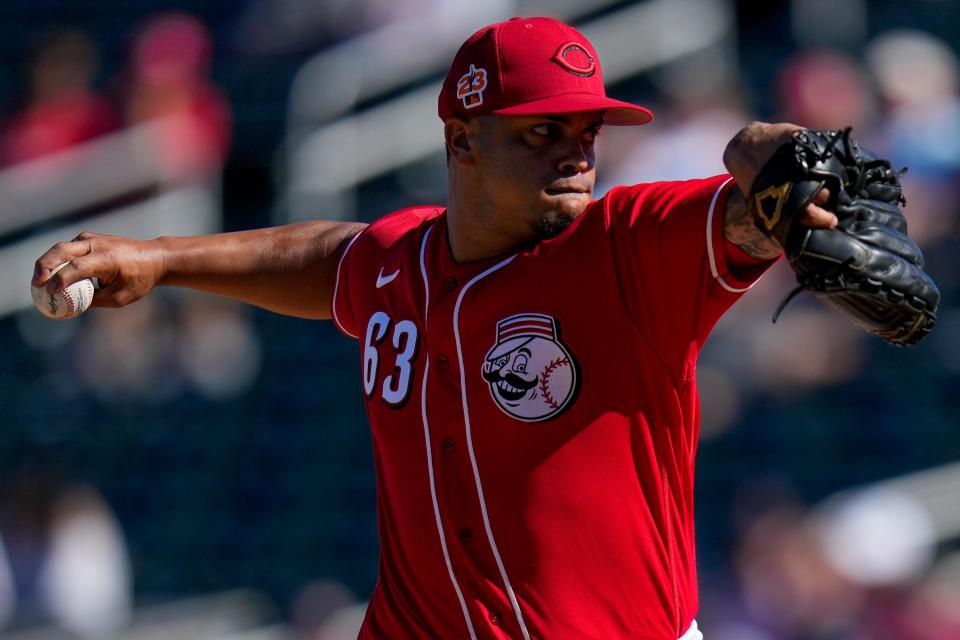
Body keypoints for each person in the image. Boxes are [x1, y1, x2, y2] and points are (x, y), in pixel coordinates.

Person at [33, 17, 841, 640]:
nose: (576, 155)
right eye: (542, 131)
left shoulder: (623, 247)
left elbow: (747, 213)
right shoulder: (399, 260)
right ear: (463, 140)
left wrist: (775, 155)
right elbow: (331, 256)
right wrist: (162, 258)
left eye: (587, 132)